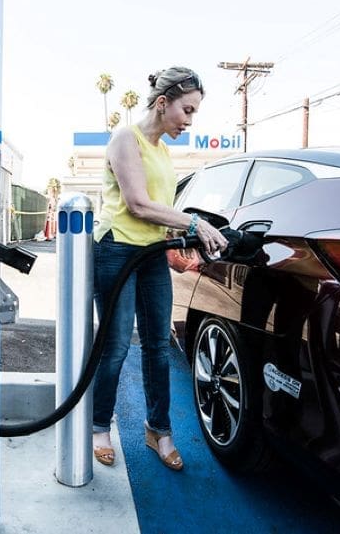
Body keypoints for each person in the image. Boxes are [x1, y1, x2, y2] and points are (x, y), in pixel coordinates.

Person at [91, 66, 228, 471]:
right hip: (116, 251)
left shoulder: (163, 151)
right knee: (116, 346)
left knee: (158, 346)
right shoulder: (124, 139)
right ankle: (100, 426)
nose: (189, 120)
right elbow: (137, 204)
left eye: (195, 113)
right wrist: (193, 223)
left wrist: (175, 247)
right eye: (187, 110)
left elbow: (159, 215)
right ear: (163, 102)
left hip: (151, 254)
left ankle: (159, 430)